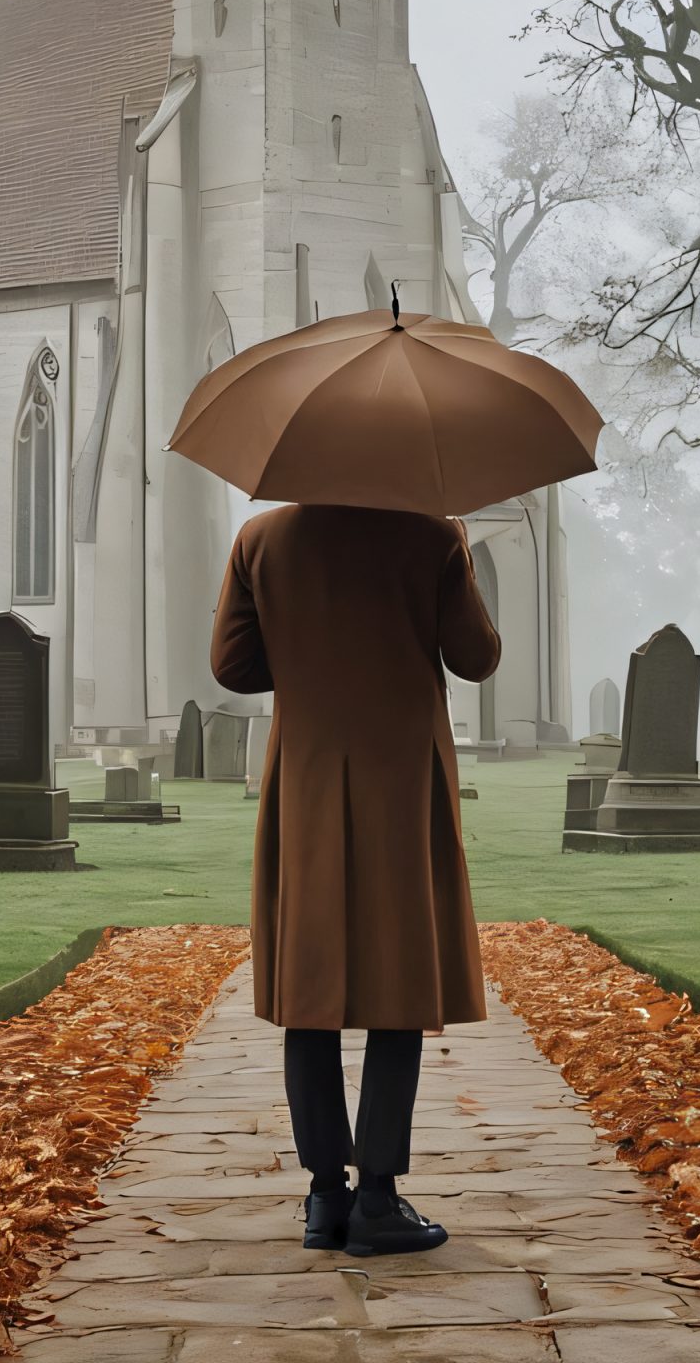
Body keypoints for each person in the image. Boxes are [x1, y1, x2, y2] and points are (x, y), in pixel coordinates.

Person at [210, 499, 501, 1258]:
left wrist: (310, 656)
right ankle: (377, 1198)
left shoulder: (261, 538)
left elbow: (233, 665)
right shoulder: (431, 534)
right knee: (397, 983)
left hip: (307, 770)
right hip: (402, 774)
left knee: (310, 989)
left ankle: (322, 1198)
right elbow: (477, 657)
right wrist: (457, 552)